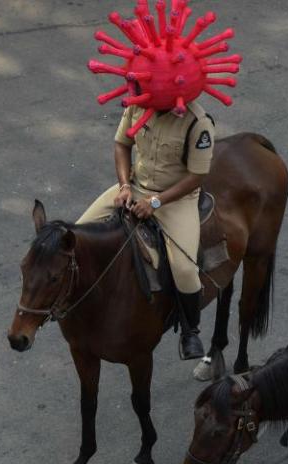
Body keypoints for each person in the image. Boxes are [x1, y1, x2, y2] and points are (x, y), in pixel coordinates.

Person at [77, 100, 215, 360]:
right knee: (78, 235)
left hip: (175, 200)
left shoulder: (198, 122)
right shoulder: (138, 106)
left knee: (185, 269)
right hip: (135, 187)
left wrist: (156, 202)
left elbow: (197, 175)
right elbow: (122, 144)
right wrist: (124, 186)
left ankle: (190, 331)